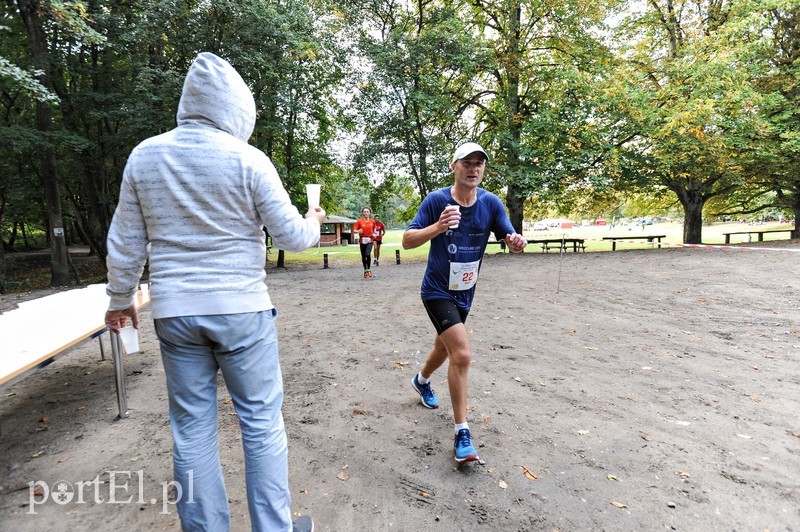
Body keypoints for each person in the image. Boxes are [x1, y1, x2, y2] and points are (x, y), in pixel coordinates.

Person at [103, 52, 321, 532]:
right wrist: (313, 221)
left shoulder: (146, 155)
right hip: (242, 309)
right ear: (237, 109)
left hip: (176, 312)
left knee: (192, 430)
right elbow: (292, 238)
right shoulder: (249, 160)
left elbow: (125, 241)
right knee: (262, 424)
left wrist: (120, 300)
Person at [402, 142, 527, 463]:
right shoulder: (436, 201)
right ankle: (462, 433)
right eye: (467, 163)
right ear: (454, 167)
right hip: (436, 290)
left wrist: (515, 242)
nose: (473, 168)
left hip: (465, 292)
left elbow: (509, 238)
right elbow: (408, 239)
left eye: (479, 164)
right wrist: (439, 226)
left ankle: (420, 380)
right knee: (462, 353)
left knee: (444, 348)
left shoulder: (491, 203)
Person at [353, 206, 376, 278]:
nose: (366, 213)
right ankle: (365, 270)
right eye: (364, 212)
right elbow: (354, 230)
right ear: (362, 213)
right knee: (363, 256)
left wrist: (374, 234)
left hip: (370, 240)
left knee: (368, 254)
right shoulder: (359, 221)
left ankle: (369, 269)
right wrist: (358, 231)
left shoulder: (372, 221)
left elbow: (374, 230)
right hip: (362, 240)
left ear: (370, 213)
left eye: (367, 211)